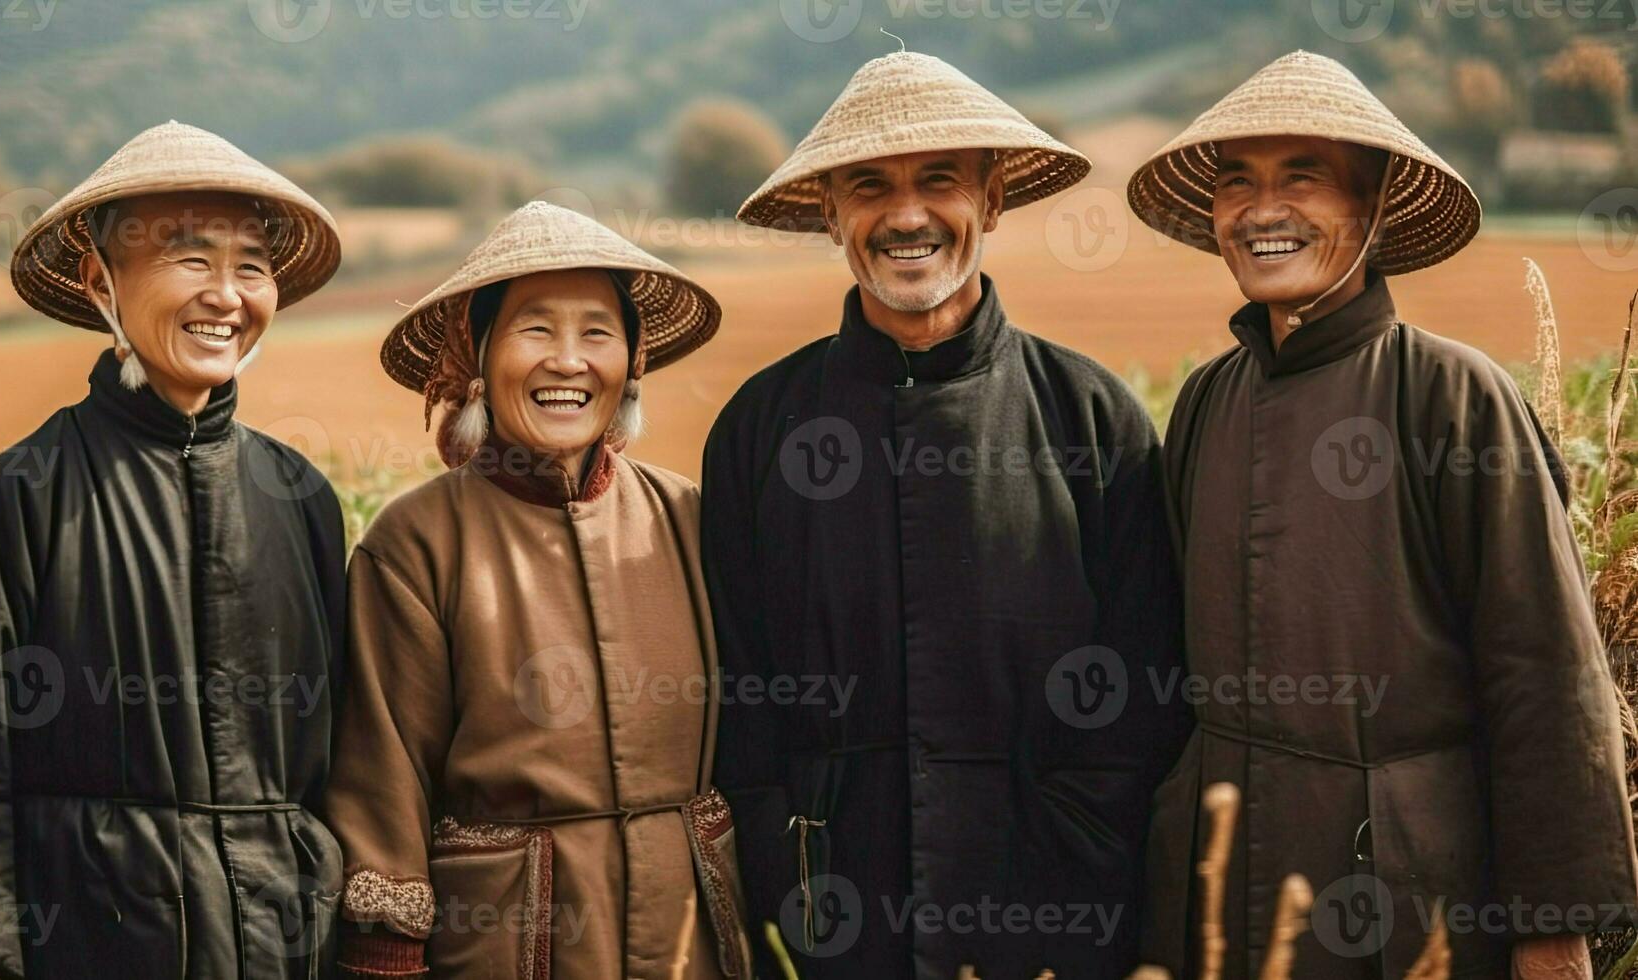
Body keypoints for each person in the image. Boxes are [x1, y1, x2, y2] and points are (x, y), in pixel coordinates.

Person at [1128, 51, 1638, 978]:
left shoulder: (1450, 395)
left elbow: (1546, 673)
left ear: (1370, 208)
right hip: (1216, 889)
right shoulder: (1206, 401)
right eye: (1235, 181)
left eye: (1303, 177)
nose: (1260, 208)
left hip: (1397, 894)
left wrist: (1553, 927)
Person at [704, 51, 1190, 978]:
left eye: (938, 180)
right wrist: (778, 858)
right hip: (826, 915)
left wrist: (1073, 884)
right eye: (868, 187)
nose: (906, 215)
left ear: (993, 197)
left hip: (1046, 914)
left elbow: (1143, 697)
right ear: (829, 212)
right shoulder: (760, 428)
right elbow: (736, 692)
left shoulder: (1091, 417)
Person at [0, 121, 347, 979]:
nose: (226, 294)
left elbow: (343, 760)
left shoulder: (301, 497)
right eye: (190, 259)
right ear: (102, 280)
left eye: (250, 265)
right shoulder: (25, 491)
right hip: (92, 942)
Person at [323, 201, 749, 979]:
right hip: (506, 946)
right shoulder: (416, 544)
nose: (568, 360)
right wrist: (385, 952)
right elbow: (384, 773)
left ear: (632, 360)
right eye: (534, 329)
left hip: (690, 942)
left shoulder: (687, 517)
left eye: (596, 331)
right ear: (477, 356)